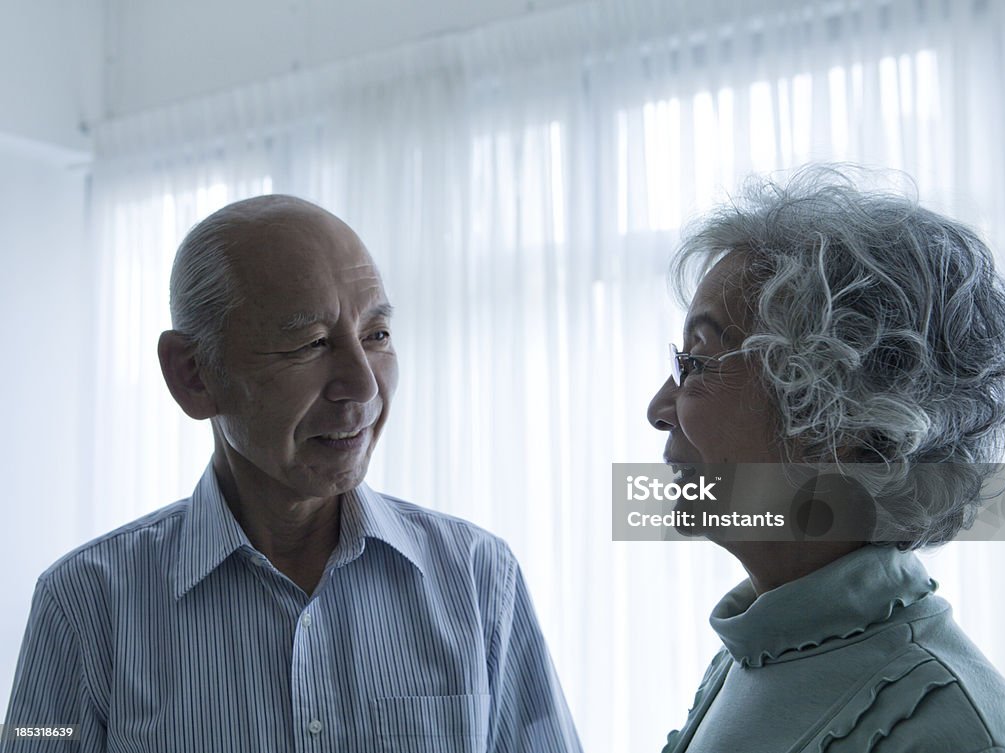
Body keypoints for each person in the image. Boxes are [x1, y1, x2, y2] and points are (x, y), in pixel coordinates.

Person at [2, 195, 582, 752]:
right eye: (310, 343)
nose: (363, 385)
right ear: (194, 374)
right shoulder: (88, 602)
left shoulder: (479, 578)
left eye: (376, 335)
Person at [647, 166, 1005, 752]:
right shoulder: (757, 652)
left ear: (839, 420)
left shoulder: (949, 730)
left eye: (699, 363)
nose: (658, 408)